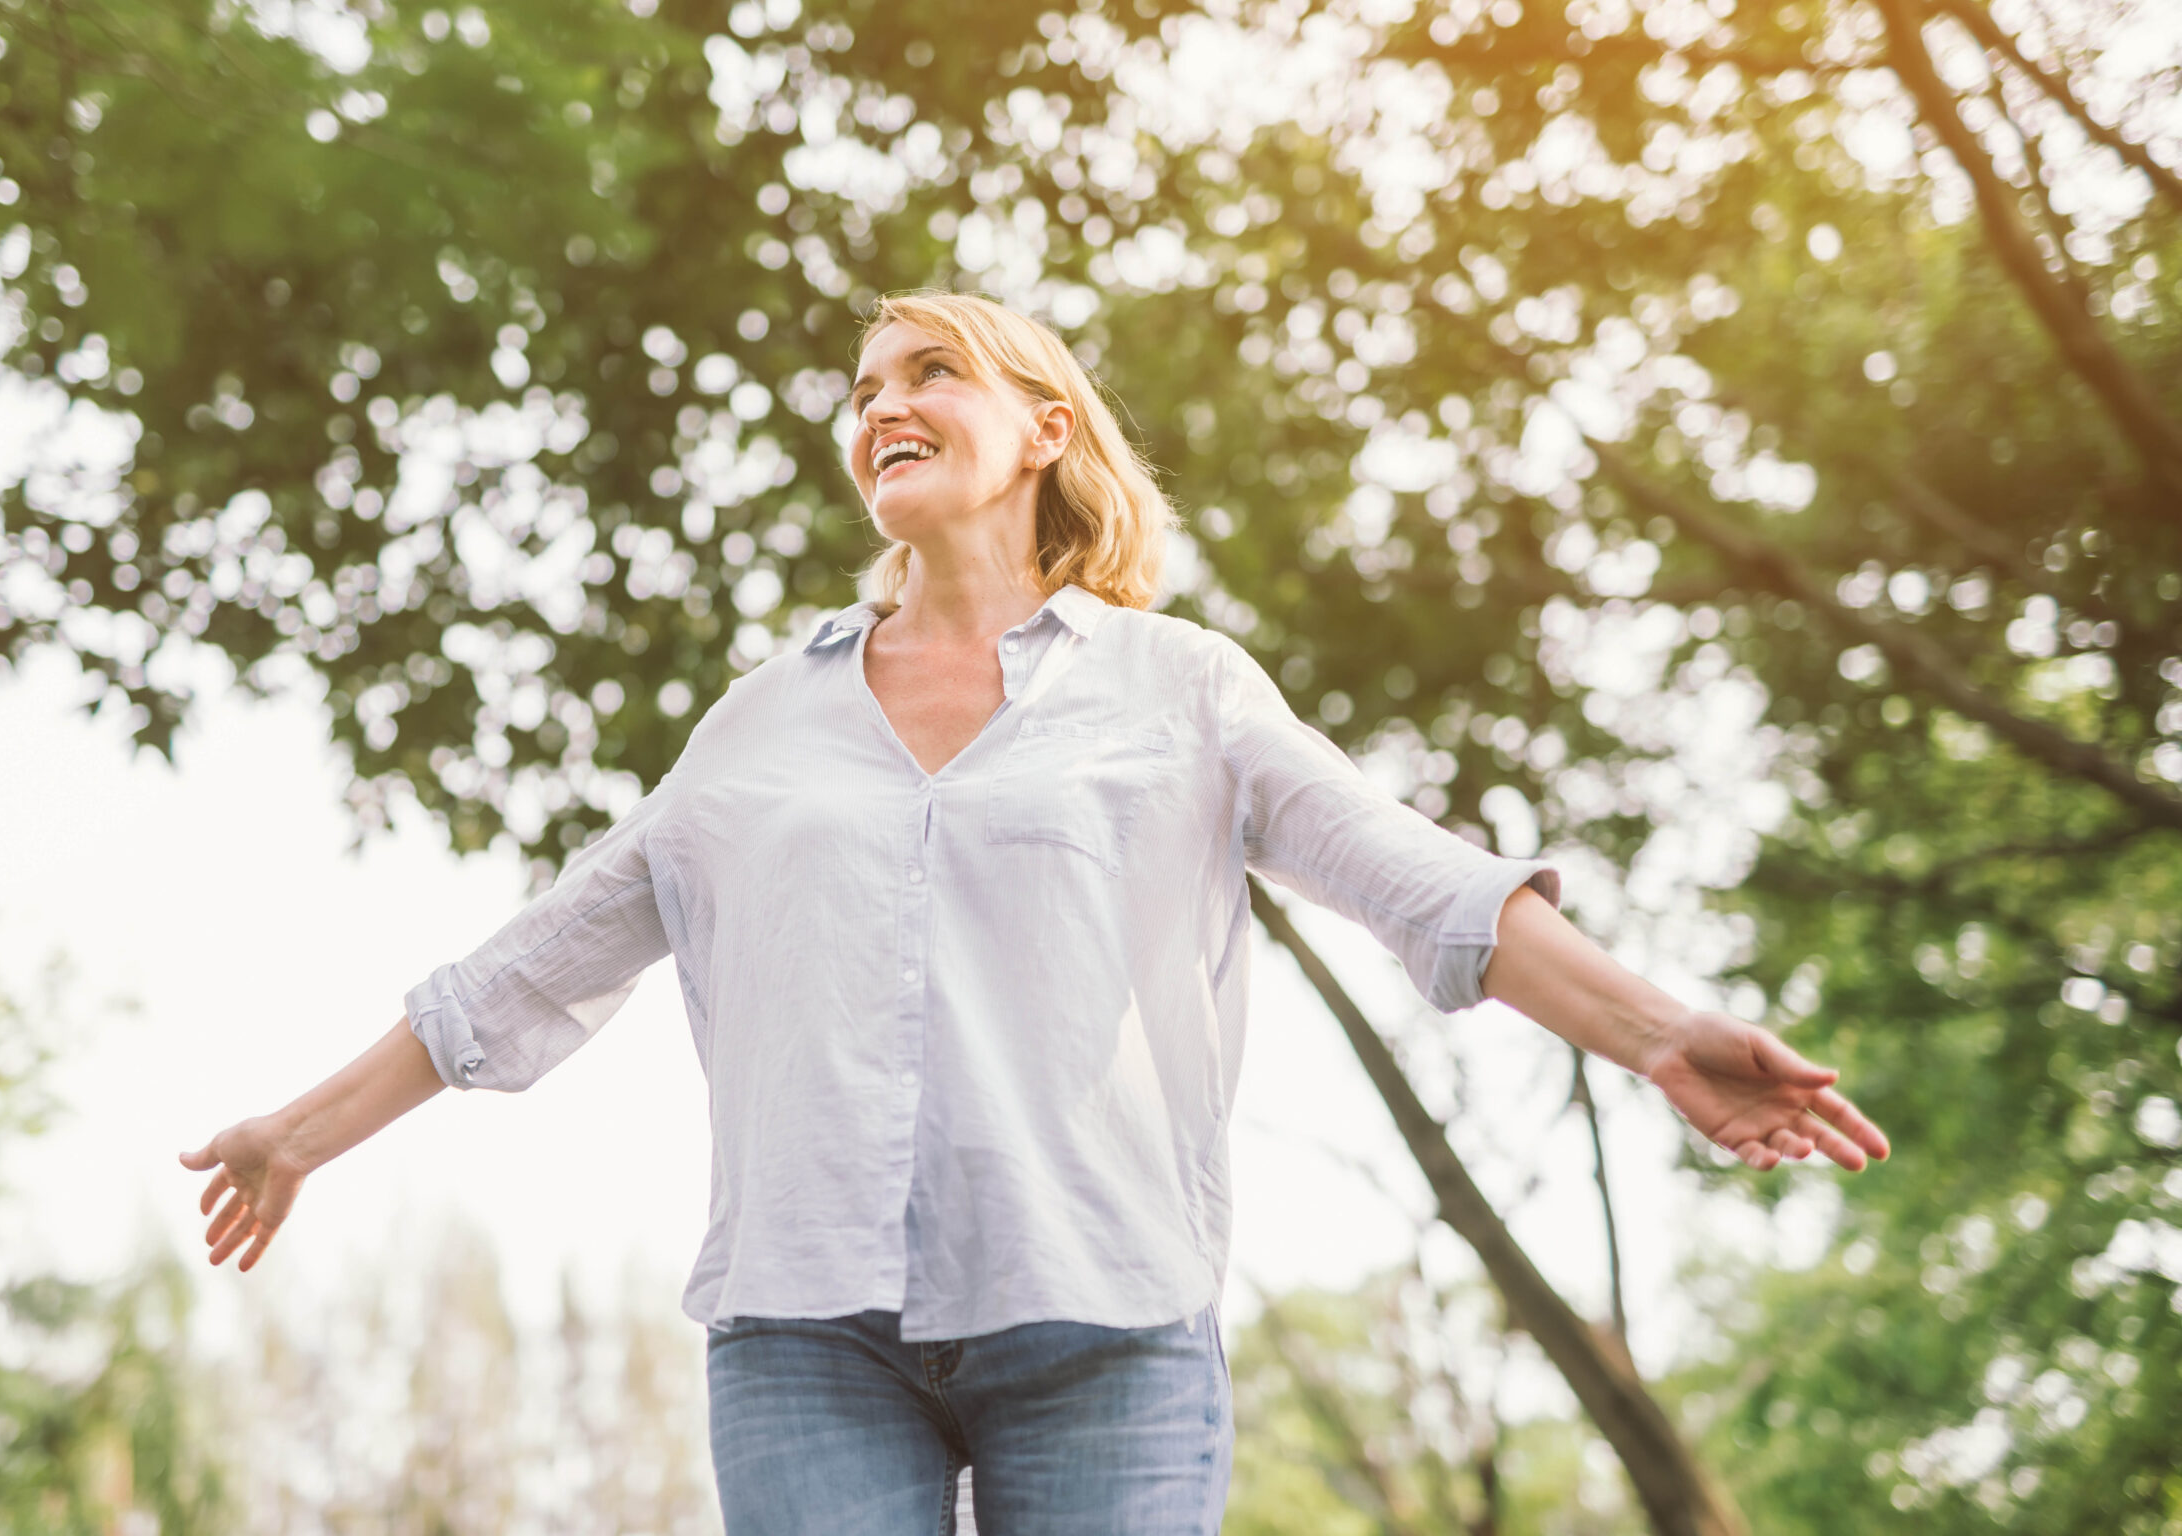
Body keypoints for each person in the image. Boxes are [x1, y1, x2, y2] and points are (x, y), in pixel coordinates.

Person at [181, 291, 1889, 1534]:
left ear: (1046, 429)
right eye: (863, 388)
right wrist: (299, 1134)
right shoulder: (762, 723)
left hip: (1107, 1329)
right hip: (807, 1339)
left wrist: (1663, 1031)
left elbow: (1411, 876)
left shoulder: (1179, 689)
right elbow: (537, 962)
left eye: (932, 371)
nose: (882, 404)